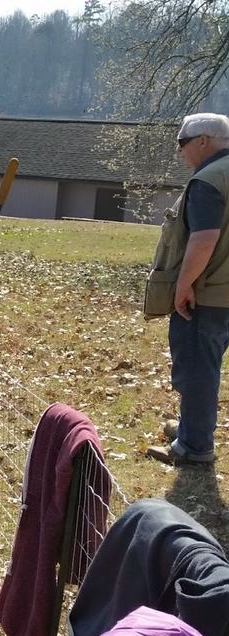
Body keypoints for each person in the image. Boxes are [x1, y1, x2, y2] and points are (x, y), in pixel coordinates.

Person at [144, 113, 229, 466]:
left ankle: (193, 447)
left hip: (208, 295)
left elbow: (204, 239)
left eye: (182, 143)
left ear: (204, 141)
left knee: (196, 369)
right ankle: (191, 428)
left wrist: (183, 286)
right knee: (206, 367)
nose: (180, 152)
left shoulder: (209, 179)